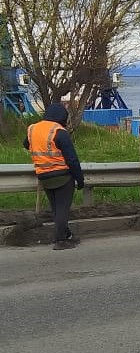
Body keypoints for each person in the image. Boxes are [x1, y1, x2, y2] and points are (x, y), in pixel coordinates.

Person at [23, 103, 84, 250]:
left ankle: (67, 234)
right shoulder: (59, 131)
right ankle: (59, 240)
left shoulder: (33, 128)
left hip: (43, 175)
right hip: (62, 176)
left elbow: (26, 144)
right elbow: (72, 159)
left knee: (57, 209)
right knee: (62, 209)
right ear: (62, 117)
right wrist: (79, 178)